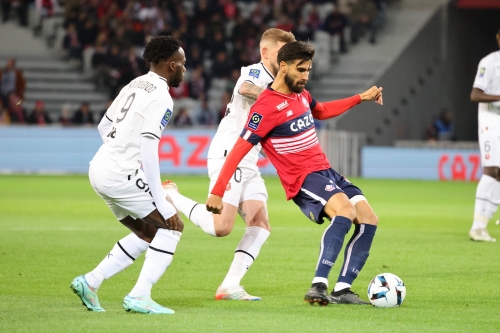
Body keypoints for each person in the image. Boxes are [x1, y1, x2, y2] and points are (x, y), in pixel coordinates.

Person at [206, 41, 383, 305]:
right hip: (303, 178)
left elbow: (321, 111)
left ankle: (342, 289)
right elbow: (238, 150)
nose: (305, 76)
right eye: (301, 70)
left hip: (326, 171)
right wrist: (218, 192)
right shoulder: (265, 107)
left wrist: (360, 98)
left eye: (308, 70)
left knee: (369, 218)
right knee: (345, 211)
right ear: (283, 66)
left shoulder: (300, 94)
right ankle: (318, 285)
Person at [163, 28, 296, 301]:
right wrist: (278, 100)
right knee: (220, 227)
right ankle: (171, 195)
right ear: (266, 52)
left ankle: (229, 285)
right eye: (283, 53)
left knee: (260, 224)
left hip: (249, 159)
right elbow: (246, 89)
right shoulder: (256, 72)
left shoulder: (280, 84)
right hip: (229, 153)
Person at [70, 36, 187, 314]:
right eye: (183, 64)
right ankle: (140, 296)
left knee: (147, 233)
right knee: (172, 226)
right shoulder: (162, 98)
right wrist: (160, 198)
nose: (185, 69)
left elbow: (103, 125)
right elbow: (148, 149)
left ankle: (91, 281)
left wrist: (119, 150)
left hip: (99, 168)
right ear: (171, 65)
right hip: (121, 174)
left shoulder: (134, 83)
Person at [468, 29, 500, 243]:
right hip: (491, 121)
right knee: (491, 170)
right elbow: (475, 94)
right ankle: (477, 226)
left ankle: (484, 222)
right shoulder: (489, 62)